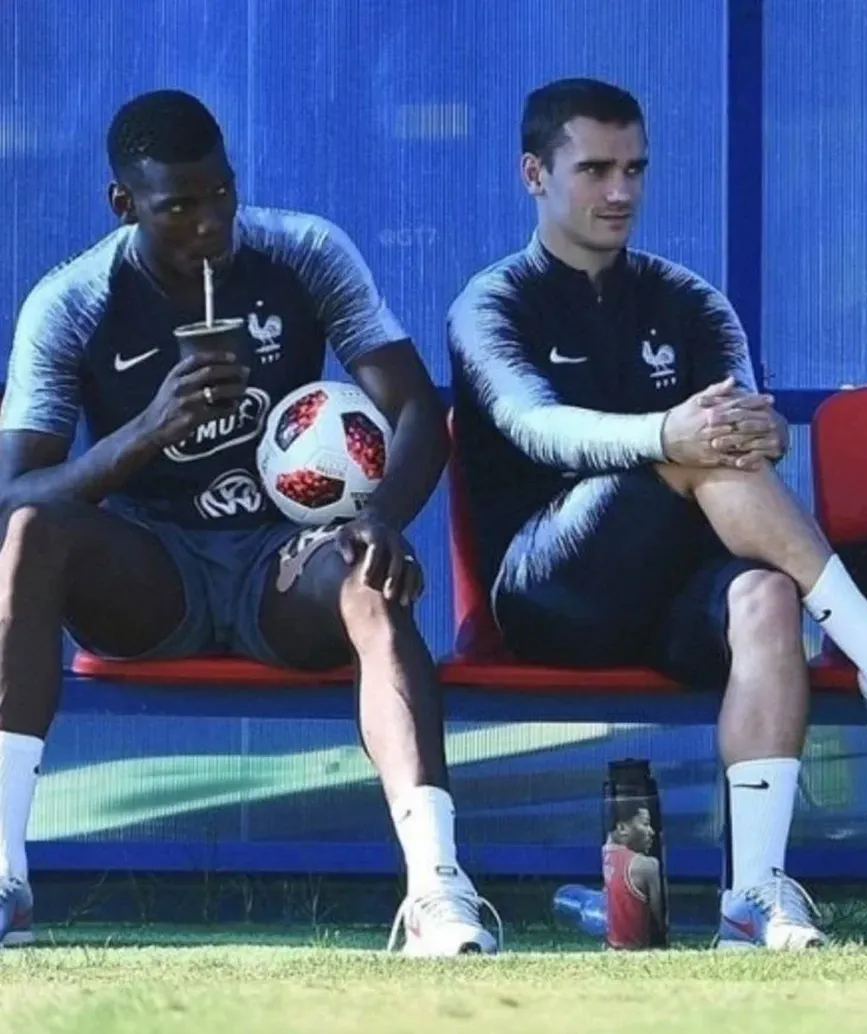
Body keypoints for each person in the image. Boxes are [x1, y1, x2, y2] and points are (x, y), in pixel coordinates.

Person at [447, 77, 867, 950]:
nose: (620, 191)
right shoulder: (491, 304)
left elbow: (739, 427)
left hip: (676, 596)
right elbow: (536, 428)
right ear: (532, 174)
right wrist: (674, 433)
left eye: (635, 168)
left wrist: (765, 430)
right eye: (594, 169)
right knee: (691, 448)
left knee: (766, 599)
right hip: (550, 597)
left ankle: (754, 897)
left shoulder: (689, 299)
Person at [0, 89, 498, 956]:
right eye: (178, 207)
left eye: (220, 194)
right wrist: (145, 432)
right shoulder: (73, 299)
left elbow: (416, 407)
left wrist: (380, 515)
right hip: (150, 569)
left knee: (371, 579)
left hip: (285, 557)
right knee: (30, 538)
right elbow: (17, 493)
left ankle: (436, 888)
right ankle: (6, 875)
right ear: (125, 204)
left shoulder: (302, 252)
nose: (209, 224)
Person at [602, 803, 665, 950]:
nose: (652, 832)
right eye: (646, 824)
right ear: (622, 828)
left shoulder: (601, 858)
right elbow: (661, 925)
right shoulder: (647, 865)